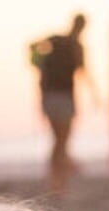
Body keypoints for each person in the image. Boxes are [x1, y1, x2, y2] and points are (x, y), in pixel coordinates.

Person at [30, 14, 89, 193]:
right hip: (62, 96)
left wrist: (40, 63)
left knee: (58, 140)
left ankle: (56, 178)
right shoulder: (74, 45)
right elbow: (83, 71)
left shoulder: (57, 40)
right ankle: (59, 181)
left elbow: (32, 45)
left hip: (50, 95)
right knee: (62, 141)